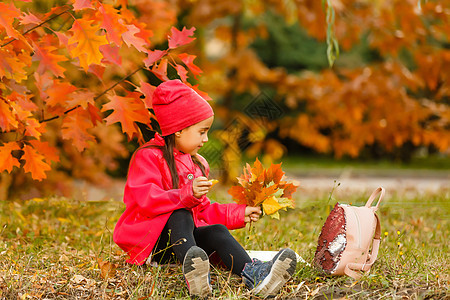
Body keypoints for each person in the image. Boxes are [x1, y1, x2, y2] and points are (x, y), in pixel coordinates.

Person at [113, 79, 297, 298]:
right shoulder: (148, 156)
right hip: (153, 244)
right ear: (179, 129)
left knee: (217, 231)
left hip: (185, 247)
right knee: (180, 213)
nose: (206, 139)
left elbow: (203, 212)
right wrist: (185, 194)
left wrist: (239, 213)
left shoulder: (197, 164)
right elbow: (146, 200)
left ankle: (255, 274)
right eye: (202, 132)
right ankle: (195, 273)